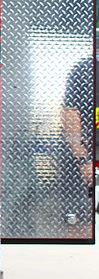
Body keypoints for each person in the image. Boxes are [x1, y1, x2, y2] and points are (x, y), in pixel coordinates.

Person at [61, 53, 97, 218]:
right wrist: (83, 159)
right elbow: (70, 113)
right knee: (80, 220)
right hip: (85, 159)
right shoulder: (84, 70)